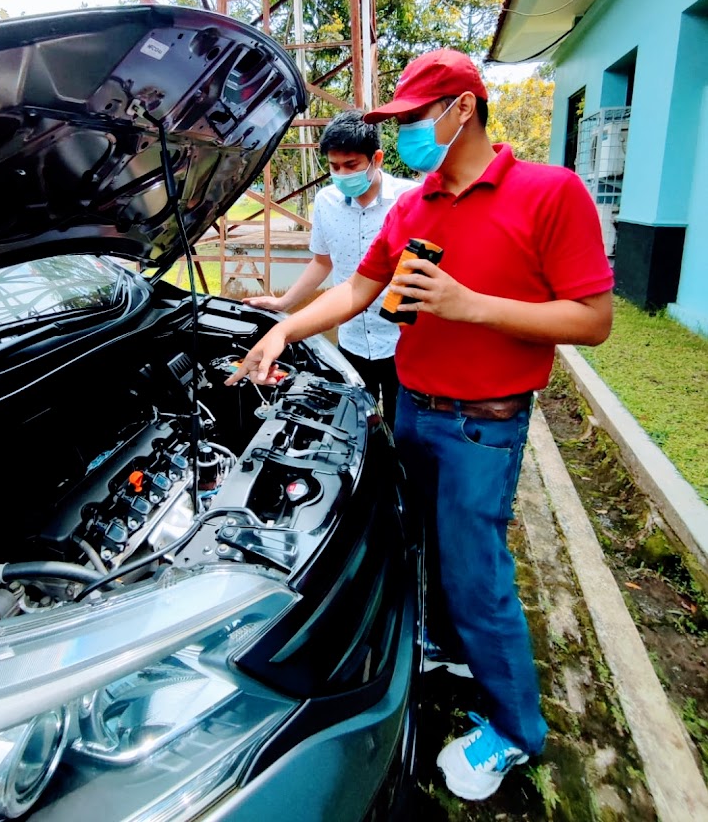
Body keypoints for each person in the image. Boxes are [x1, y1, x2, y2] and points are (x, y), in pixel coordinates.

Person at [227, 48, 614, 802]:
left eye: (409, 118)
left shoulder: (548, 192)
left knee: (479, 580)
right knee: (419, 547)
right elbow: (357, 290)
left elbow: (592, 319)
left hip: (482, 426)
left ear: (460, 108)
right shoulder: (414, 206)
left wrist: (472, 307)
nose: (402, 133)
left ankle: (514, 731)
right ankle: (442, 644)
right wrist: (283, 331)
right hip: (413, 405)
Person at [243, 109, 417, 428]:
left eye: (351, 165)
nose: (342, 174)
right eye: (334, 167)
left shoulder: (410, 200)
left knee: (401, 431)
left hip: (401, 343)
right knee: (351, 426)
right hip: (349, 338)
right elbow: (323, 261)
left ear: (376, 159)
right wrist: (284, 303)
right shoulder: (326, 201)